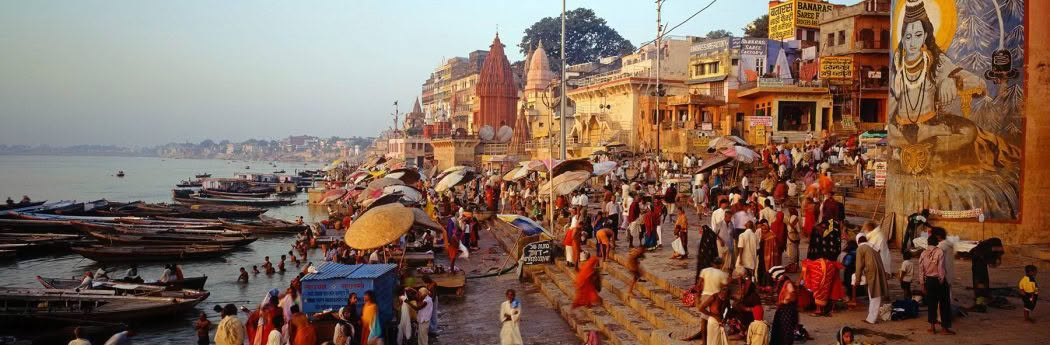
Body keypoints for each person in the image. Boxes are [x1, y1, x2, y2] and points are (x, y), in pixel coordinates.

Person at [919, 236, 954, 335]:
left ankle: (932, 327)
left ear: (927, 243)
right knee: (944, 304)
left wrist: (922, 284)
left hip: (928, 281)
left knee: (931, 304)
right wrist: (942, 280)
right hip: (939, 280)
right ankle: (944, 329)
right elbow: (941, 268)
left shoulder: (923, 253)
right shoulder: (940, 252)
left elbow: (921, 270)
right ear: (937, 243)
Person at [852, 236, 889, 324]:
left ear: (858, 242)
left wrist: (857, 280)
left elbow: (859, 265)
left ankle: (871, 319)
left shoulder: (861, 248)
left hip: (872, 272)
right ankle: (870, 317)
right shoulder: (873, 247)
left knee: (875, 295)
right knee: (873, 294)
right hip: (879, 270)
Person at [971, 238, 1005, 312]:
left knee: (983, 279)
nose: (993, 267)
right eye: (994, 265)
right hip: (977, 260)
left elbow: (998, 255)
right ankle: (979, 303)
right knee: (980, 281)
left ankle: (982, 296)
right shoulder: (981, 254)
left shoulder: (995, 250)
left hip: (983, 258)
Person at [769, 266, 797, 345]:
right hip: (782, 309)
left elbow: (792, 294)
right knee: (779, 329)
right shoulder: (782, 282)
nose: (774, 279)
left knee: (785, 330)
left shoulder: (787, 283)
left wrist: (785, 300)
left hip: (787, 311)